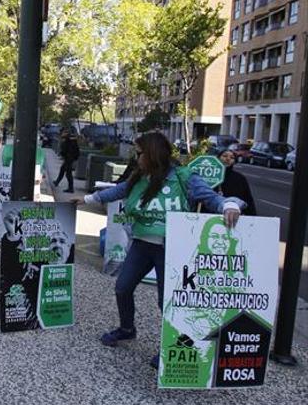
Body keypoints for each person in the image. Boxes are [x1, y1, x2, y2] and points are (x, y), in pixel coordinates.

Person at [82, 132, 242, 368]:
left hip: (171, 248)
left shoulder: (182, 177)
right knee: (122, 287)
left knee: (166, 300)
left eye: (140, 153)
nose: (136, 158)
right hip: (142, 244)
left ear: (153, 153)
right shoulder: (140, 178)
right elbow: (118, 191)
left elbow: (210, 197)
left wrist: (228, 205)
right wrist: (87, 199)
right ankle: (127, 329)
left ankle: (173, 345)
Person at [217, 149, 257, 216]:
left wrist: (253, 217)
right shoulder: (210, 175)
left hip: (233, 216)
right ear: (218, 158)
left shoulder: (240, 178)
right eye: (225, 156)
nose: (228, 159)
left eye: (232, 157)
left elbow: (248, 200)